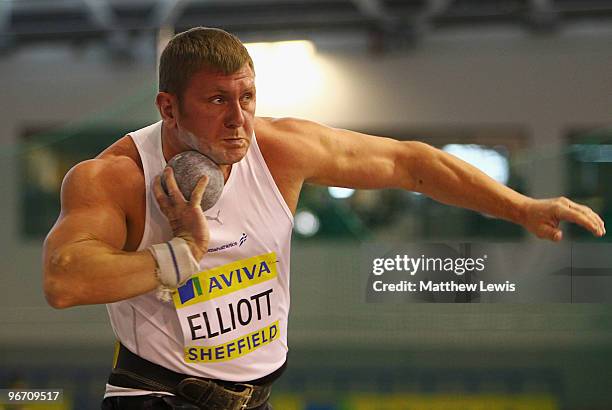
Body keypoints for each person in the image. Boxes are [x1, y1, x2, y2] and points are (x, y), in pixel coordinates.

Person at [42, 27, 605, 410]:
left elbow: (408, 163)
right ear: (169, 107)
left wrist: (521, 207)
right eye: (217, 100)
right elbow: (66, 280)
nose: (239, 119)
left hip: (254, 397)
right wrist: (179, 255)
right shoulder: (115, 176)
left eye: (248, 97)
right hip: (155, 396)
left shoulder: (279, 149)